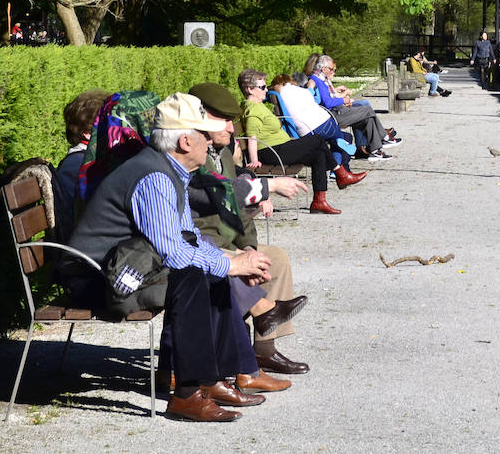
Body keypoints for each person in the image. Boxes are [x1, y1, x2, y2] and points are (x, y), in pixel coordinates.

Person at [63, 92, 273, 422]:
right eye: (204, 134)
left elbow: (188, 237)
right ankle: (187, 395)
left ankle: (211, 379)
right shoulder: (155, 176)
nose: (210, 141)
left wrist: (231, 261)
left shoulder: (169, 170)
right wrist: (232, 264)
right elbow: (174, 254)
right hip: (98, 279)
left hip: (128, 268)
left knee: (208, 270)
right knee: (190, 276)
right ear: (186, 141)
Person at [188, 83, 312, 376]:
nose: (232, 129)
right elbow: (218, 193)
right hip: (200, 244)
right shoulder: (190, 154)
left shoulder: (222, 152)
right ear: (202, 118)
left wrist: (250, 247)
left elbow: (239, 211)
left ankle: (265, 349)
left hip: (226, 242)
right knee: (237, 265)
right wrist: (270, 185)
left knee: (275, 258)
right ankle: (258, 320)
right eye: (225, 120)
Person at [238, 69, 364, 215]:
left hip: (279, 148)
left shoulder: (258, 105)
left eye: (266, 86)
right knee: (317, 140)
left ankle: (319, 202)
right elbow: (252, 137)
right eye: (262, 87)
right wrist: (254, 160)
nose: (266, 90)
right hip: (270, 152)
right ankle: (340, 173)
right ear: (250, 89)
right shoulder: (252, 110)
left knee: (318, 155)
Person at [312, 54, 400, 157]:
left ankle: (375, 150)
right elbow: (327, 103)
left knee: (368, 118)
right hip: (334, 115)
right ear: (324, 68)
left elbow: (329, 97)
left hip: (337, 111)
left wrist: (342, 100)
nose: (332, 72)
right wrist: (343, 99)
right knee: (367, 110)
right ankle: (384, 137)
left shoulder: (320, 79)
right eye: (331, 69)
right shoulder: (317, 80)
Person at [53, 89, 112, 244]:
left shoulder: (87, 159)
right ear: (87, 133)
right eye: (108, 123)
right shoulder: (79, 164)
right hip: (83, 247)